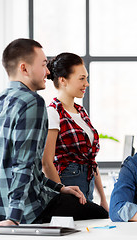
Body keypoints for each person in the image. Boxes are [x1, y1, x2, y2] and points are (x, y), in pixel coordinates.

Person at [0, 38, 108, 227]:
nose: (48, 72)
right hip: (27, 210)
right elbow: (23, 165)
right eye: (43, 65)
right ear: (24, 68)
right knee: (100, 216)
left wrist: (60, 188)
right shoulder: (32, 102)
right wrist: (13, 218)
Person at [42, 52, 108, 212]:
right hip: (68, 186)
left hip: (87, 187)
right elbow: (47, 162)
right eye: (81, 78)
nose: (87, 83)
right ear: (63, 80)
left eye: (86, 78)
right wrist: (63, 196)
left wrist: (103, 199)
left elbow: (91, 160)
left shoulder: (81, 111)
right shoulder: (53, 113)